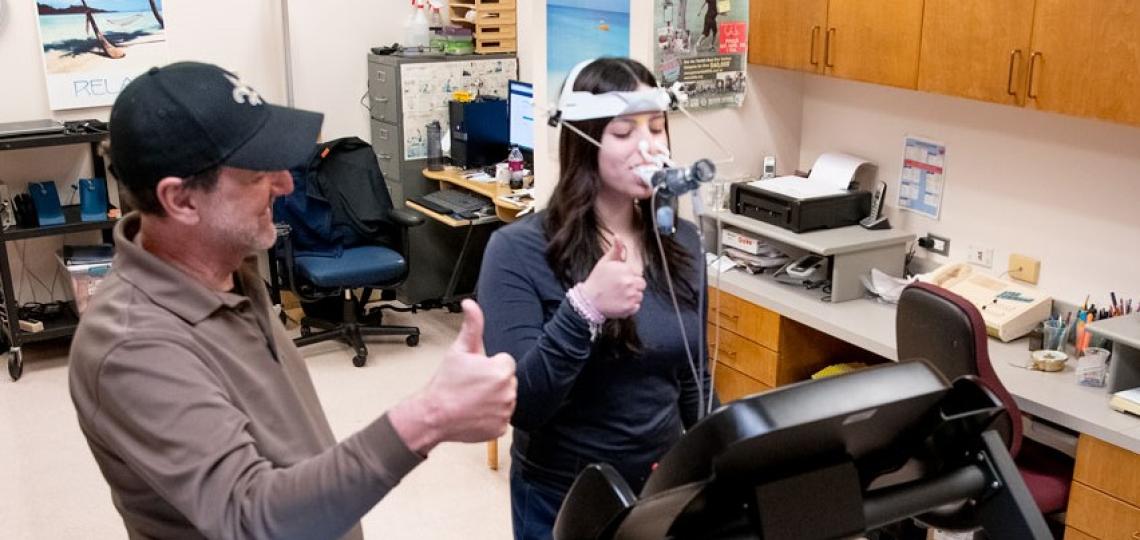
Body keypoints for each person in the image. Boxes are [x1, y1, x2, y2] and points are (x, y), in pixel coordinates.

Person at [68, 61, 517, 540]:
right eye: (258, 172)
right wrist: (432, 415)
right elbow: (254, 518)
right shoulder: (131, 345)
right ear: (181, 201)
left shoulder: (228, 274)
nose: (285, 183)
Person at [477, 58, 713, 540]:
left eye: (656, 127)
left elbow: (694, 375)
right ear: (583, 140)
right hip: (563, 498)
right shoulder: (517, 252)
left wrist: (721, 458)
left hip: (663, 489)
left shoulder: (682, 243)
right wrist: (584, 308)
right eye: (623, 132)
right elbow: (522, 406)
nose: (648, 146)